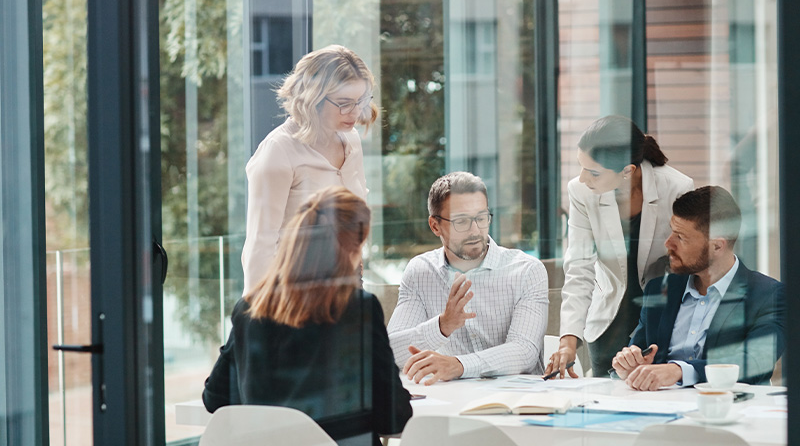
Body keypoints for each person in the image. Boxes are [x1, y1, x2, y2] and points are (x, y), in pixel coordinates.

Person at [203, 186, 412, 445]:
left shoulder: (249, 308)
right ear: (351, 249)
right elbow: (394, 418)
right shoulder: (358, 308)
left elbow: (214, 399)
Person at [546, 115, 693, 378]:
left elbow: (685, 261)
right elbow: (579, 269)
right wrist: (568, 342)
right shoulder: (581, 193)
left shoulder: (676, 188)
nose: (582, 179)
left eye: (592, 172)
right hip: (609, 322)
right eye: (581, 167)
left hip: (661, 318)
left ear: (627, 171)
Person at [611, 186, 785, 390]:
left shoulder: (769, 295)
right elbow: (640, 351)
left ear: (717, 246)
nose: (668, 243)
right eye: (671, 232)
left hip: (728, 409)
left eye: (681, 237)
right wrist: (628, 366)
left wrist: (680, 370)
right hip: (660, 407)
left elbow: (753, 363)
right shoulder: (659, 289)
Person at [387, 172, 548, 384]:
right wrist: (442, 327)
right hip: (453, 402)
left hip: (519, 403)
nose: (475, 231)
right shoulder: (420, 272)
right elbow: (391, 353)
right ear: (435, 226)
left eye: (481, 218)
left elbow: (524, 352)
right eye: (461, 221)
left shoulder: (527, 271)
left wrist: (459, 365)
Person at [241, 45, 379, 292]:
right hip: (296, 295)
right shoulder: (278, 151)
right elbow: (260, 246)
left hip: (346, 287)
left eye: (361, 101)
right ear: (313, 97)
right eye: (344, 103)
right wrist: (257, 322)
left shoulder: (351, 140)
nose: (356, 112)